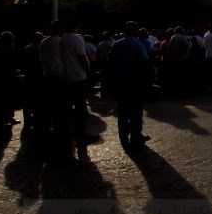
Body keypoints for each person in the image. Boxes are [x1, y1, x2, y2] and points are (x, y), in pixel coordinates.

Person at [105, 21, 152, 149]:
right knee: (136, 110)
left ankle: (123, 134)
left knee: (123, 109)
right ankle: (136, 136)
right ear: (135, 31)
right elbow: (145, 62)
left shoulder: (117, 44)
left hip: (121, 80)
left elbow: (109, 62)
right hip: (135, 81)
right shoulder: (138, 44)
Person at [58, 19, 96, 149]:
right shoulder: (77, 39)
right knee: (80, 108)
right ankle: (81, 135)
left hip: (65, 76)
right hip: (78, 76)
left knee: (67, 107)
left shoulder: (61, 40)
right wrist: (88, 69)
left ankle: (67, 132)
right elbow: (82, 57)